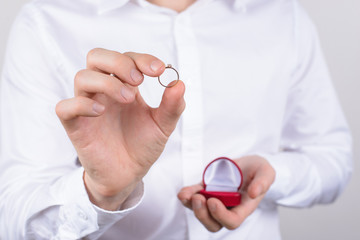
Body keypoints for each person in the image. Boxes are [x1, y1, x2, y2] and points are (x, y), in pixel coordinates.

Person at [0, 0, 352, 239]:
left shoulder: (282, 15)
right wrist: (101, 192)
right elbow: (14, 219)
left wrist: (274, 175)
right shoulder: (47, 21)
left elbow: (332, 157)